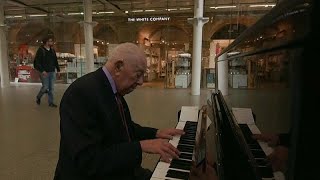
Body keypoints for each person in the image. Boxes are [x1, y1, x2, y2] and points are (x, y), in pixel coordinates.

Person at [54, 42, 184, 180]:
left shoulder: (111, 88)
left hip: (118, 169)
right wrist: (140, 147)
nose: (141, 82)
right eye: (138, 74)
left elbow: (123, 127)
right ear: (118, 67)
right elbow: (89, 161)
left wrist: (156, 133)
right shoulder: (81, 94)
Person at [34, 35, 60, 107]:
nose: (51, 42)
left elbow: (55, 61)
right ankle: (38, 97)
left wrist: (58, 70)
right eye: (50, 41)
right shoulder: (41, 50)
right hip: (44, 72)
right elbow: (37, 62)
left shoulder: (52, 50)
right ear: (46, 42)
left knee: (51, 88)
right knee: (45, 87)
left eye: (52, 41)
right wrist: (42, 71)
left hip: (52, 71)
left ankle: (51, 102)